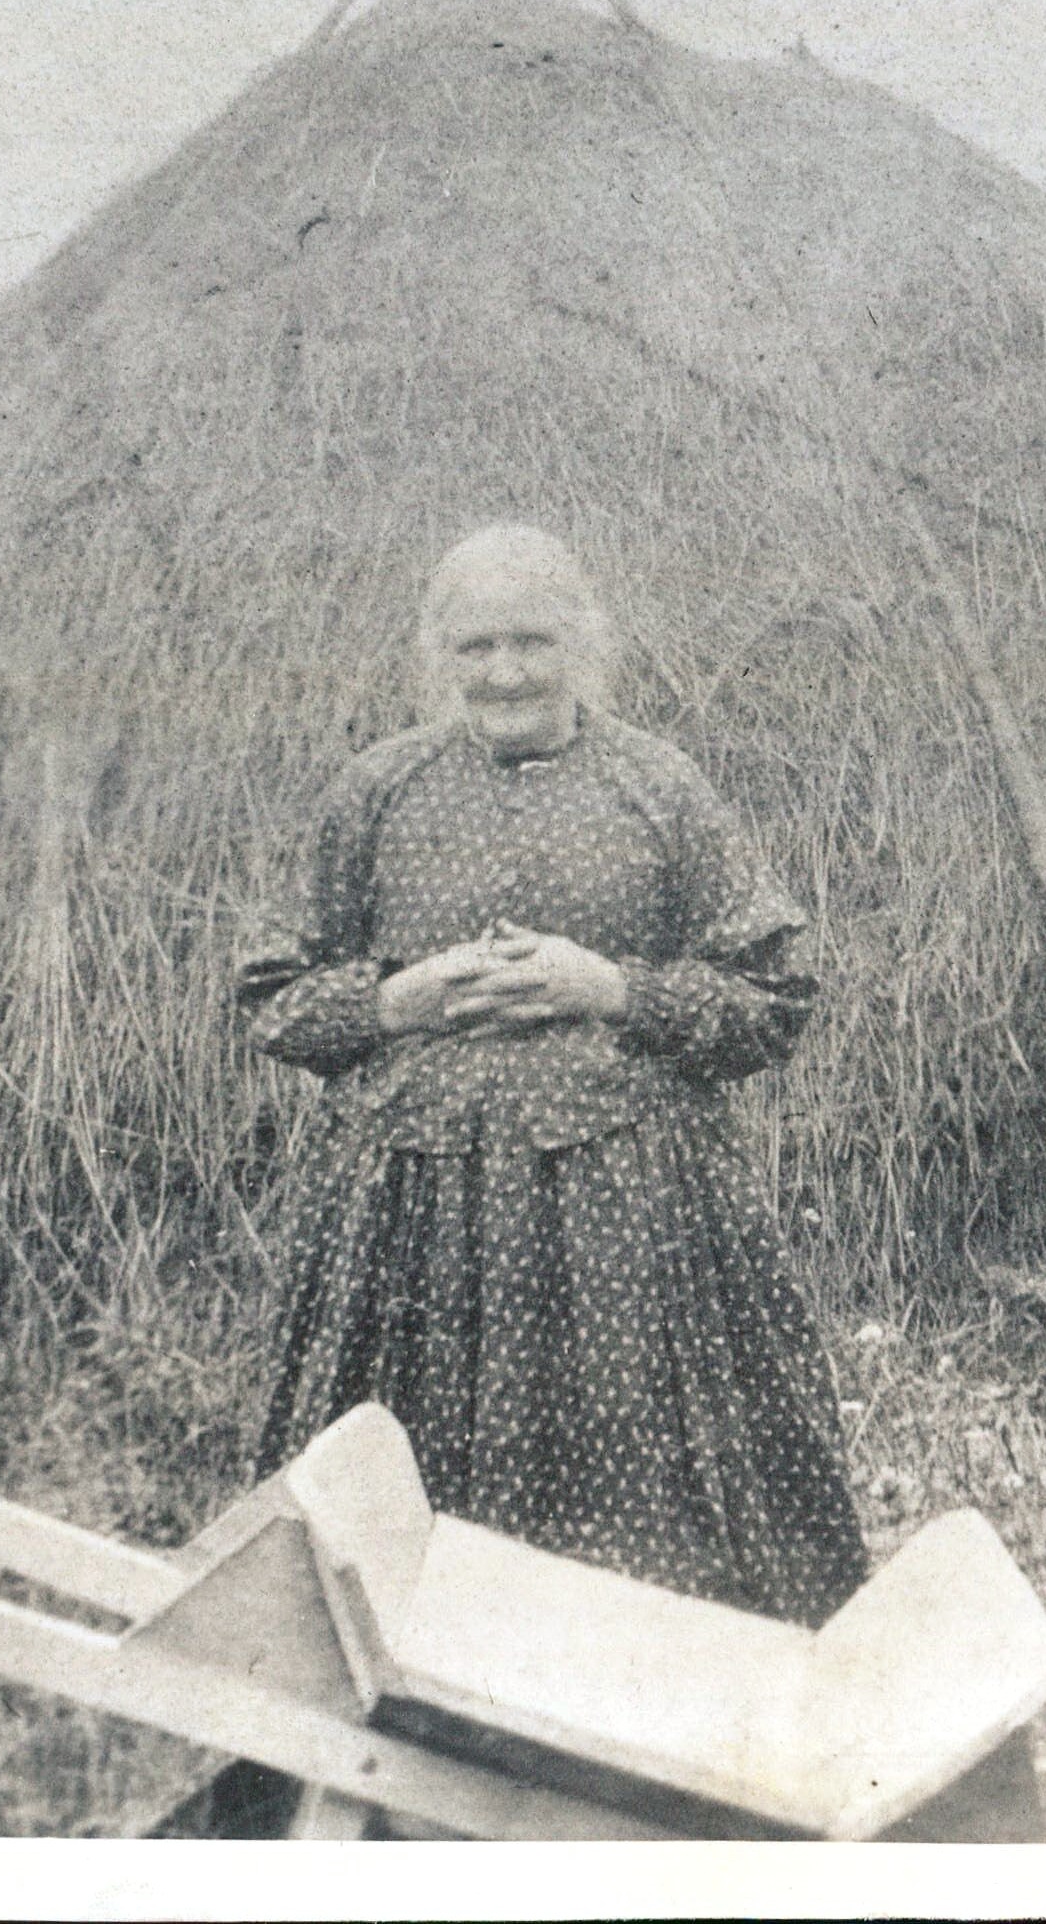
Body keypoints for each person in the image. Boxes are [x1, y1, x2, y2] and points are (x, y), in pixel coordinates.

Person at [237, 524, 868, 1627]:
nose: (505, 671)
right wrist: (398, 999)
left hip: (630, 1243)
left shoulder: (658, 788)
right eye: (476, 644)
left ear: (581, 642)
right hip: (410, 1237)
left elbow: (775, 997)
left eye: (530, 639)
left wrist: (610, 986)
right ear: (440, 654)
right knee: (385, 1542)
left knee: (641, 1550)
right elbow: (272, 997)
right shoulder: (376, 792)